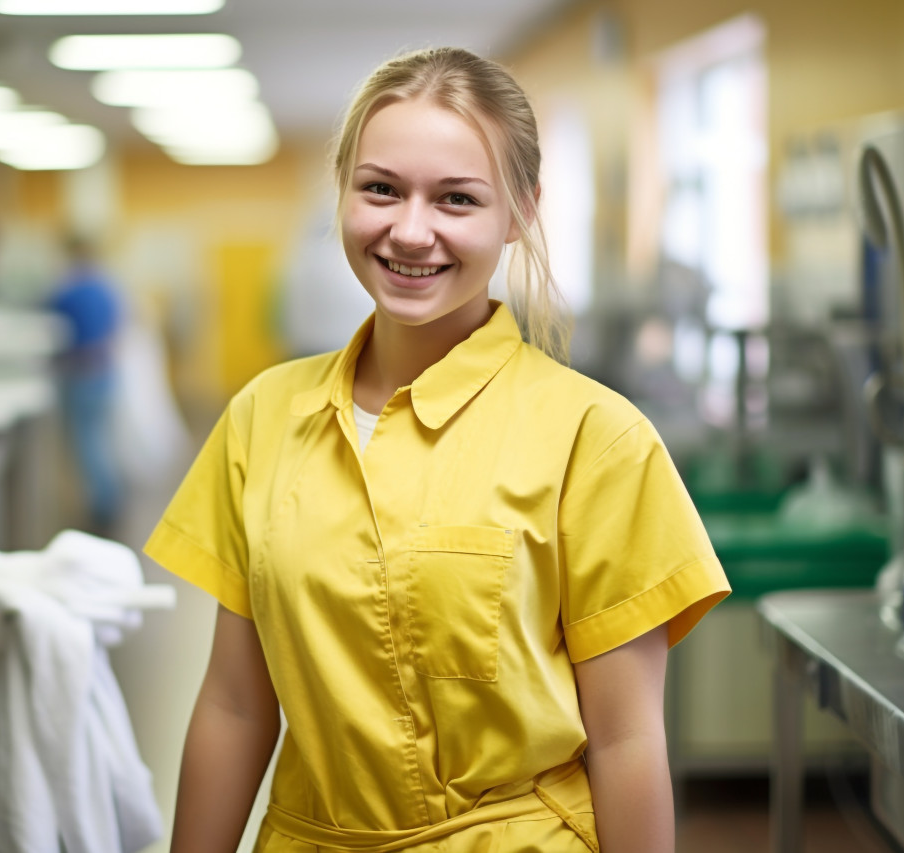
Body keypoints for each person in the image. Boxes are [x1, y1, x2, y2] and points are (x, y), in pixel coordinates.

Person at [144, 47, 730, 852]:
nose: (410, 231)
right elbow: (236, 704)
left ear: (520, 212)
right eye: (380, 188)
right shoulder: (262, 419)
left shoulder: (595, 439)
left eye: (456, 198)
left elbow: (628, 740)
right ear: (344, 191)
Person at [49, 234, 125, 536]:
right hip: (104, 372)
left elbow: (49, 320)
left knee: (87, 442)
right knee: (100, 438)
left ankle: (102, 507)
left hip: (80, 374)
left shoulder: (67, 292)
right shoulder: (107, 290)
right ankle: (109, 498)